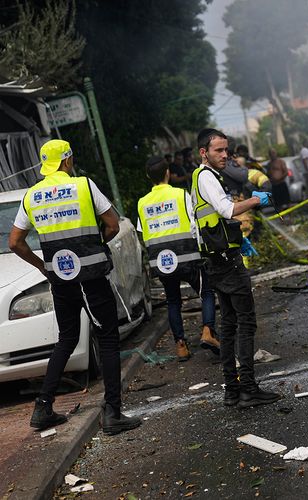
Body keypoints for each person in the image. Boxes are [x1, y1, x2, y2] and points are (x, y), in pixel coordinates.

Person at [7, 139, 141, 435]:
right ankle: (113, 412)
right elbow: (113, 224)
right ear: (67, 161)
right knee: (107, 337)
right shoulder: (83, 186)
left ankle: (43, 407)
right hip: (91, 277)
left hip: (60, 280)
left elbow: (15, 242)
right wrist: (94, 246)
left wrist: (43, 266)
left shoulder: (32, 195)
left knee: (66, 338)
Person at [191, 128, 282, 409]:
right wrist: (256, 200)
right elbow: (226, 210)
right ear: (203, 152)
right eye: (218, 150)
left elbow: (206, 223)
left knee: (229, 325)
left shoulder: (203, 178)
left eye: (226, 150)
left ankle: (233, 390)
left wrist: (237, 240)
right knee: (245, 322)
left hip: (218, 259)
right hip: (226, 265)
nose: (225, 155)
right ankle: (248, 388)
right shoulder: (206, 176)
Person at [136, 156, 219, 362]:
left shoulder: (142, 202)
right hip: (188, 256)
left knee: (173, 301)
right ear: (167, 173)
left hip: (162, 261)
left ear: (147, 176)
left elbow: (141, 231)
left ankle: (180, 345)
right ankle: (208, 332)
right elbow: (194, 222)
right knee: (206, 292)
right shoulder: (180, 195)